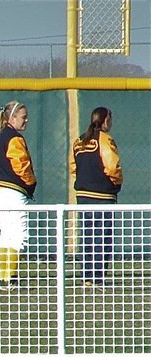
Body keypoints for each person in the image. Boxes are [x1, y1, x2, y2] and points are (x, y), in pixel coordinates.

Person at [71, 106, 123, 287]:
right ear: (106, 121)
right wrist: (116, 183)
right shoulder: (106, 140)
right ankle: (98, 276)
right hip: (102, 195)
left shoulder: (79, 141)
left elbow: (73, 167)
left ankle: (87, 276)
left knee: (87, 235)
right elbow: (112, 167)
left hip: (83, 195)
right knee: (103, 236)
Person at [0, 101, 36, 287]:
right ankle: (11, 276)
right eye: (23, 117)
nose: (26, 121)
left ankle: (4, 277)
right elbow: (21, 166)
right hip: (12, 190)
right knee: (18, 234)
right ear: (12, 118)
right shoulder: (14, 138)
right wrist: (31, 182)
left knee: (5, 233)